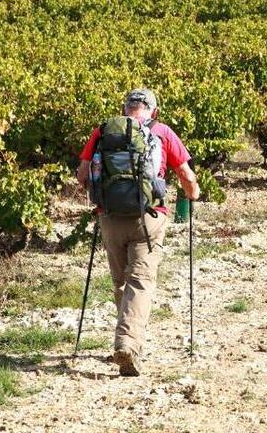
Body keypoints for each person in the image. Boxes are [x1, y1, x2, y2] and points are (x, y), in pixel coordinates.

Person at [77, 89, 200, 377]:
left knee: (121, 281)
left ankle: (127, 339)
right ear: (153, 111)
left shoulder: (103, 131)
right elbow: (186, 175)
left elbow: (83, 174)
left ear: (124, 109)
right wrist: (192, 194)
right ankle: (128, 346)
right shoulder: (163, 132)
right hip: (149, 217)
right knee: (141, 281)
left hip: (109, 217)